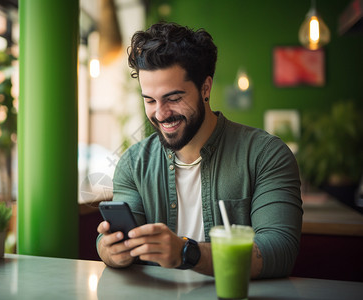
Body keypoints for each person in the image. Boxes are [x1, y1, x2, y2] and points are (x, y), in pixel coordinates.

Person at [96, 22, 303, 279]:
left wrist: (187, 252)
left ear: (205, 88)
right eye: (150, 100)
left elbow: (279, 251)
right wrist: (109, 250)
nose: (160, 114)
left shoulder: (265, 155)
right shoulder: (133, 164)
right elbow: (115, 243)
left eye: (173, 98)